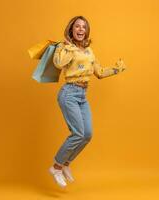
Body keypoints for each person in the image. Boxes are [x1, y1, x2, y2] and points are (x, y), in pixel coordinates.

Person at [49, 16, 127, 188]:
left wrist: (116, 69)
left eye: (84, 27)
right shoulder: (64, 47)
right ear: (71, 29)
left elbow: (98, 72)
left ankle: (65, 164)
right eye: (77, 26)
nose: (81, 29)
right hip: (69, 93)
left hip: (82, 95)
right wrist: (68, 47)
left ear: (86, 31)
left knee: (87, 135)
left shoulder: (88, 50)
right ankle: (56, 167)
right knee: (78, 133)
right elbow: (58, 63)